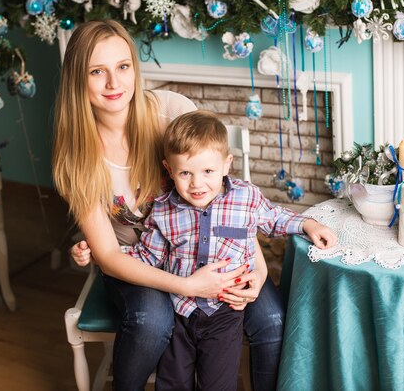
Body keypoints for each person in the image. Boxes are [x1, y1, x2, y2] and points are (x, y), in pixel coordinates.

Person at [54, 19, 335, 391]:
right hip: (143, 262)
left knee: (270, 319)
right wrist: (188, 286)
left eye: (122, 67)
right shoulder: (76, 158)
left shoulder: (171, 112)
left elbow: (228, 202)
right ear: (78, 79)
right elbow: (109, 255)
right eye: (97, 71)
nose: (114, 83)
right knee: (152, 320)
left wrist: (258, 272)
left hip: (217, 253)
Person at [120, 110, 337, 390]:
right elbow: (147, 255)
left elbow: (275, 218)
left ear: (226, 165)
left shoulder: (245, 197)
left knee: (218, 385)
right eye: (185, 173)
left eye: (208, 171)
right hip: (179, 312)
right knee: (172, 384)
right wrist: (106, 253)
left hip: (224, 313)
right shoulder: (163, 209)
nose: (197, 184)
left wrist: (307, 224)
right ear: (169, 169)